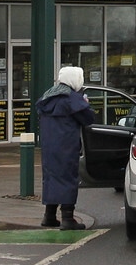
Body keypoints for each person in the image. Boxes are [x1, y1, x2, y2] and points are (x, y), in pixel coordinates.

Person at [36, 65, 96, 230]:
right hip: (66, 145)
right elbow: (88, 119)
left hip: (49, 147)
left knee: (51, 178)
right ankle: (68, 218)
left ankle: (49, 216)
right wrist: (85, 103)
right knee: (68, 178)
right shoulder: (72, 99)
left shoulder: (48, 95)